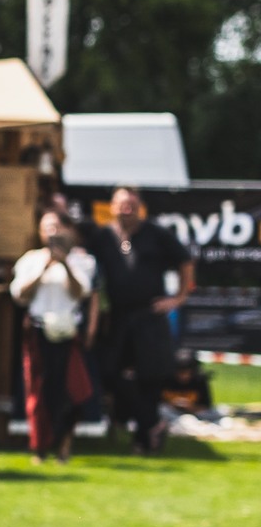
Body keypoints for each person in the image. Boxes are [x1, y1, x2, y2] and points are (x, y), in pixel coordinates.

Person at [87, 186, 193, 454]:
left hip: (149, 315)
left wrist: (178, 298)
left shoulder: (156, 234)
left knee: (150, 377)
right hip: (117, 317)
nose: (127, 210)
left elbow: (185, 261)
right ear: (112, 207)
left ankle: (144, 437)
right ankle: (152, 424)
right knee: (110, 371)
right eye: (122, 204)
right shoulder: (103, 236)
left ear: (140, 208)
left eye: (132, 205)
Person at [11, 210, 94, 464]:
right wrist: (44, 267)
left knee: (72, 390)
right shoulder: (31, 260)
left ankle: (65, 446)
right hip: (39, 332)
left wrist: (64, 263)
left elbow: (81, 292)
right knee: (39, 392)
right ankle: (39, 448)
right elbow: (19, 295)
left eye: (56, 227)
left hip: (68, 332)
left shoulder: (82, 260)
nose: (52, 232)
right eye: (47, 228)